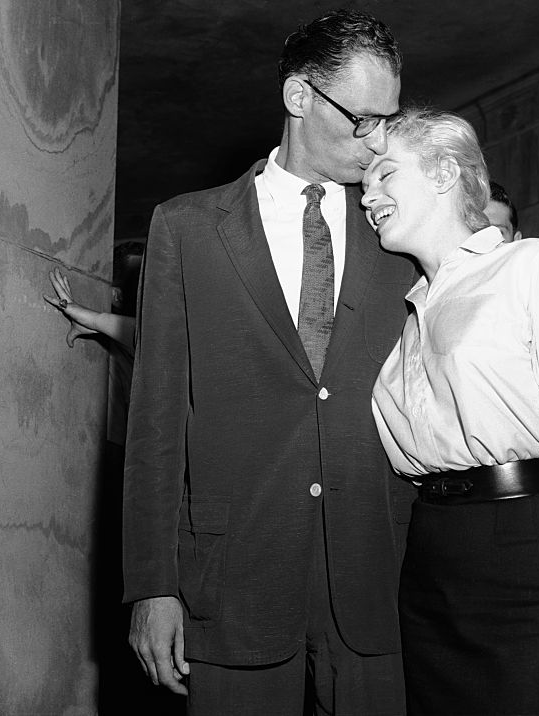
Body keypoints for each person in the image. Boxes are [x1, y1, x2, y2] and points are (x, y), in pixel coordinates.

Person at [122, 10, 417, 715]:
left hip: (375, 577)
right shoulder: (187, 227)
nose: (377, 141)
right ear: (298, 97)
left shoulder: (403, 230)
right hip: (232, 576)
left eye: (389, 122)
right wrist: (152, 585)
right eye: (363, 119)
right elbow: (156, 420)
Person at [363, 107, 539, 715]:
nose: (367, 197)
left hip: (522, 551)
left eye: (384, 174)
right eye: (365, 183)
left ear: (443, 172)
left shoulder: (531, 265)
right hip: (430, 560)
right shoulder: (409, 308)